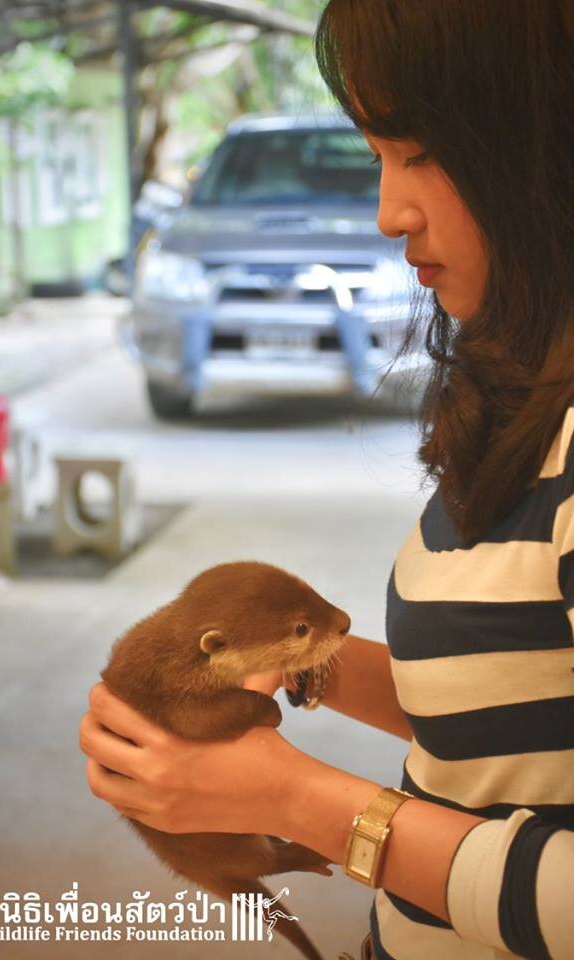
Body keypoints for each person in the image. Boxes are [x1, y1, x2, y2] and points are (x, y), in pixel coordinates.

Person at [78, 1, 574, 957]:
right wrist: (276, 664)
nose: (390, 212)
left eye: (422, 150)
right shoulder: (531, 398)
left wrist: (297, 801)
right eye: (379, 156)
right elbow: (516, 718)